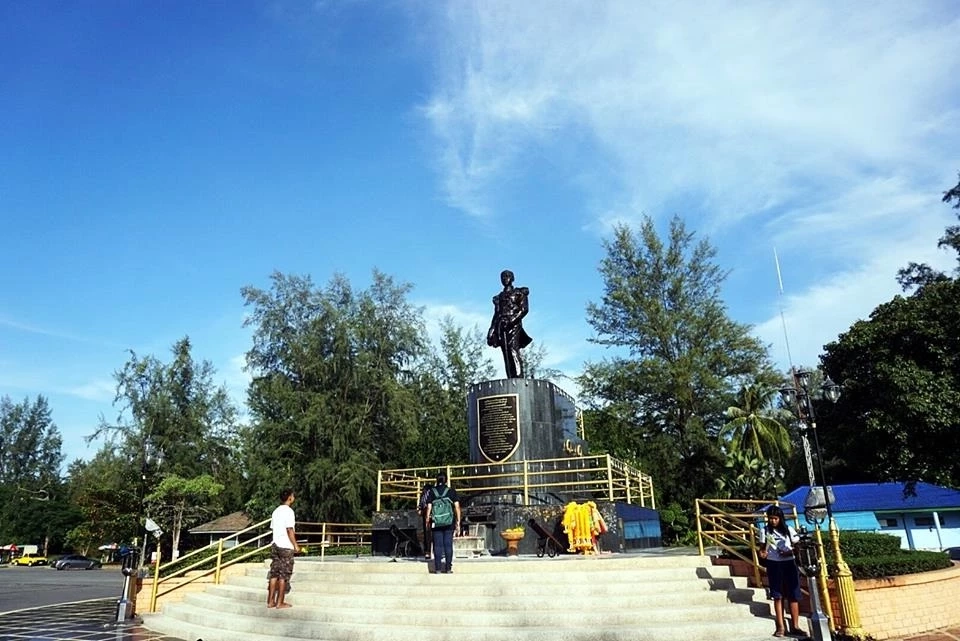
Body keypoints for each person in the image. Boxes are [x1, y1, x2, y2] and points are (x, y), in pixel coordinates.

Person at [759, 505, 804, 637]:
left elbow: (798, 547)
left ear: (780, 518)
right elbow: (761, 549)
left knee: (793, 595)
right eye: (771, 518)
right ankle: (780, 626)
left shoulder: (788, 530)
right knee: (777, 595)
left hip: (789, 563)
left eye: (775, 518)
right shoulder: (765, 531)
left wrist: (789, 552)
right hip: (774, 564)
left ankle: (795, 626)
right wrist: (763, 554)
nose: (773, 521)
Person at [487, 269, 532, 378]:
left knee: (513, 350)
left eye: (507, 276)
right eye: (502, 277)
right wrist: (491, 330)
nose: (505, 279)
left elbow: (524, 309)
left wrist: (512, 321)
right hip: (501, 326)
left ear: (512, 278)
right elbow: (496, 314)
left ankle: (518, 378)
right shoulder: (499, 297)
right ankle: (510, 378)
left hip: (514, 325)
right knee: (505, 352)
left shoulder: (519, 293)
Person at [267, 488, 299, 609]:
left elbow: (273, 528)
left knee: (274, 574)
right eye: (293, 496)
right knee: (283, 575)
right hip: (285, 547)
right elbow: (289, 529)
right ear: (290, 497)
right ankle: (280, 602)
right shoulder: (289, 512)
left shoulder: (276, 511)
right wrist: (295, 545)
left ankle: (270, 601)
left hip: (275, 544)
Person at [424, 473, 461, 574]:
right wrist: (458, 521)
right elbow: (457, 507)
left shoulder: (432, 491)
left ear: (436, 480)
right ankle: (448, 568)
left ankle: (438, 568)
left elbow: (429, 507)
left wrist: (427, 520)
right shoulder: (451, 491)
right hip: (449, 522)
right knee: (448, 545)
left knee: (437, 545)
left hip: (436, 522)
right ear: (446, 480)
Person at [417, 482, 435, 560]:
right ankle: (433, 551)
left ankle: (427, 552)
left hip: (426, 514)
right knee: (434, 533)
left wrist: (420, 509)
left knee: (427, 534)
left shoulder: (424, 494)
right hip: (434, 514)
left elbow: (421, 505)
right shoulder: (433, 492)